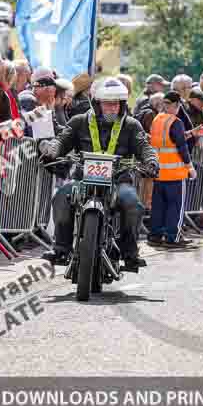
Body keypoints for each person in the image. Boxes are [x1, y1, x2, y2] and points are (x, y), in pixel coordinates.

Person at [40, 78, 158, 271]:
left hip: (119, 181)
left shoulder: (132, 125)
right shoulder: (79, 121)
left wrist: (151, 161)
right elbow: (62, 139)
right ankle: (61, 249)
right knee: (61, 197)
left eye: (116, 104)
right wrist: (53, 150)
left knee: (132, 204)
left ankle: (129, 254)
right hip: (82, 180)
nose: (112, 108)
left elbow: (144, 146)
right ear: (97, 103)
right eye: (107, 103)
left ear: (122, 105)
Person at [147, 91, 197, 248]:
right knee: (175, 207)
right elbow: (181, 146)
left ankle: (155, 236)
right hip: (175, 174)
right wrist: (190, 167)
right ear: (176, 105)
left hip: (159, 172)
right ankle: (173, 237)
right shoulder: (176, 122)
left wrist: (190, 133)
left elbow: (168, 142)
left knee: (158, 207)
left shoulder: (157, 120)